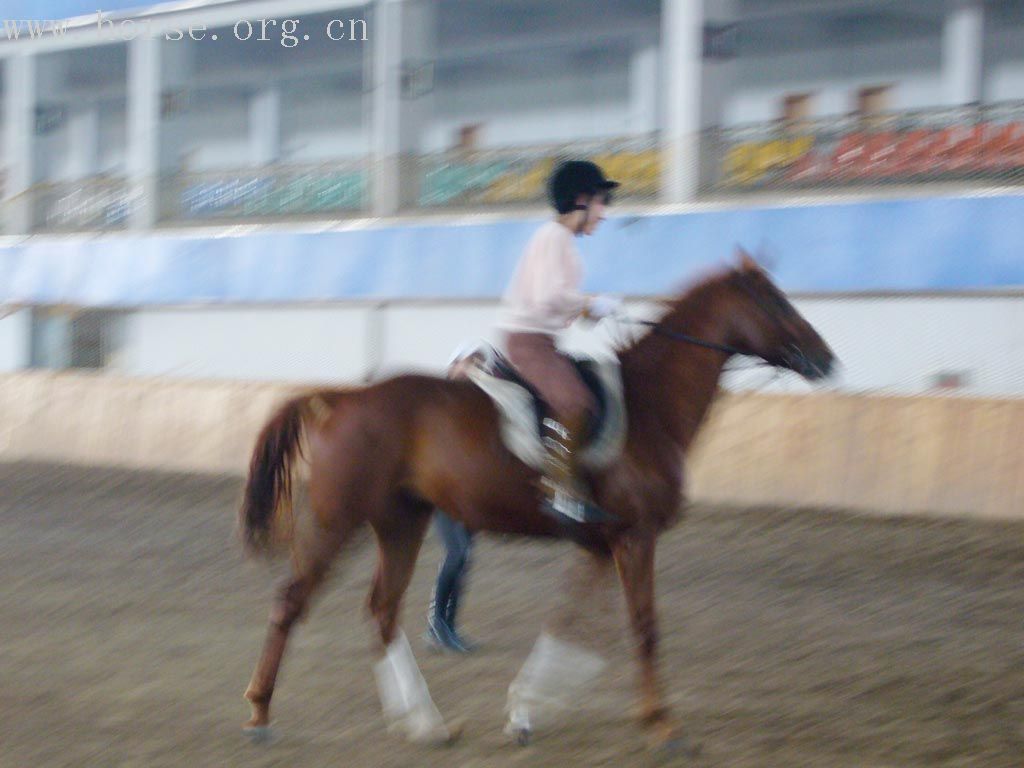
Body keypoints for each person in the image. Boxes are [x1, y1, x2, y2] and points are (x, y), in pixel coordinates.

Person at [498, 159, 622, 525]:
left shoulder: (560, 241)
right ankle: (558, 489)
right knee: (575, 402)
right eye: (603, 202)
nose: (605, 212)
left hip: (542, 339)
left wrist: (590, 311)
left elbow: (555, 302)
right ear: (581, 200)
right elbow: (548, 296)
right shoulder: (553, 237)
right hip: (528, 341)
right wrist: (590, 303)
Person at [424, 341, 493, 653]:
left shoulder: (476, 406)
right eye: (469, 362)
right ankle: (438, 625)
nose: (476, 367)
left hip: (466, 492)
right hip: (445, 490)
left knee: (463, 556)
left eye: (479, 362)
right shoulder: (441, 404)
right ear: (454, 367)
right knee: (458, 553)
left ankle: (445, 626)